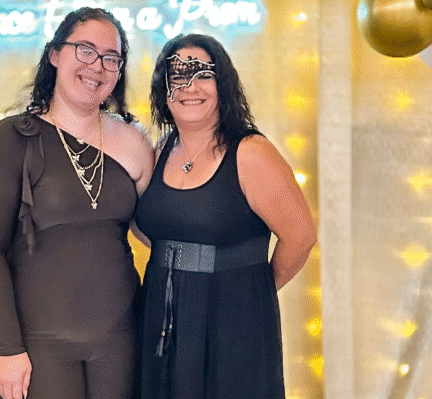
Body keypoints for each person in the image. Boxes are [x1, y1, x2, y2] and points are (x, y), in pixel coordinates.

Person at [0, 7, 154, 399]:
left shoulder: (135, 142)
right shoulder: (11, 139)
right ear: (54, 54)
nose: (97, 66)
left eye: (111, 58)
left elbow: (155, 230)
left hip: (120, 340)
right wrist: (9, 348)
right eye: (84, 50)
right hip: (37, 345)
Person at [134, 34, 317, 398]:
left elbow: (301, 236)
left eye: (203, 74)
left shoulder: (251, 153)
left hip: (232, 320)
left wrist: (251, 291)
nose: (190, 86)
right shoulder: (158, 150)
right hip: (161, 314)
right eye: (178, 74)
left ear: (223, 85)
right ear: (163, 90)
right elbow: (150, 227)